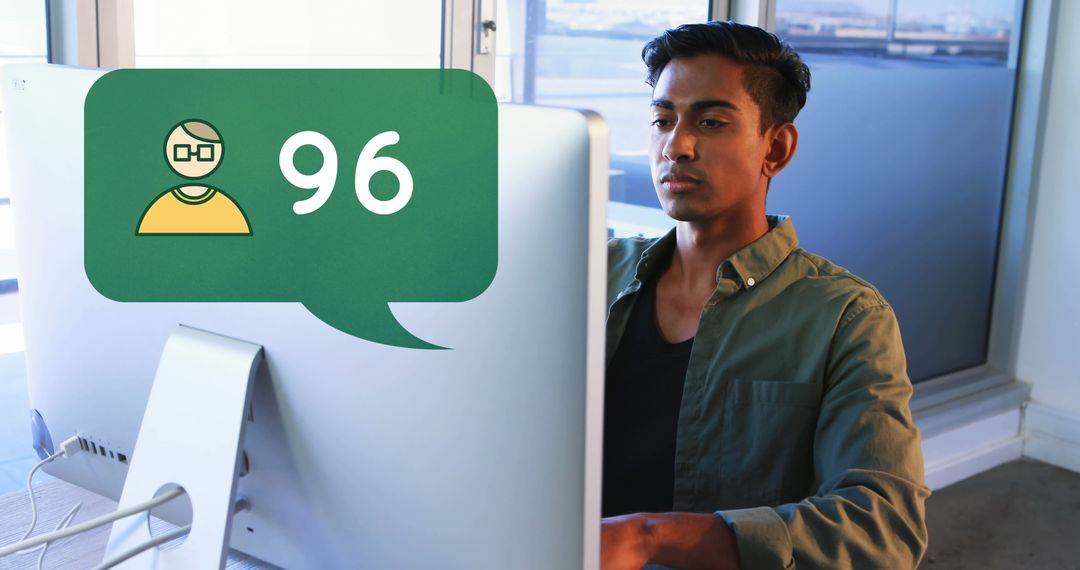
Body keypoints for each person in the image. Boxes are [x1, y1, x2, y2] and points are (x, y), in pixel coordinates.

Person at [600, 21, 929, 569]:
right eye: (662, 120)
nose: (675, 146)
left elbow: (884, 529)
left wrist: (649, 537)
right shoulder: (598, 270)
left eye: (710, 122)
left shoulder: (845, 317)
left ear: (775, 148)